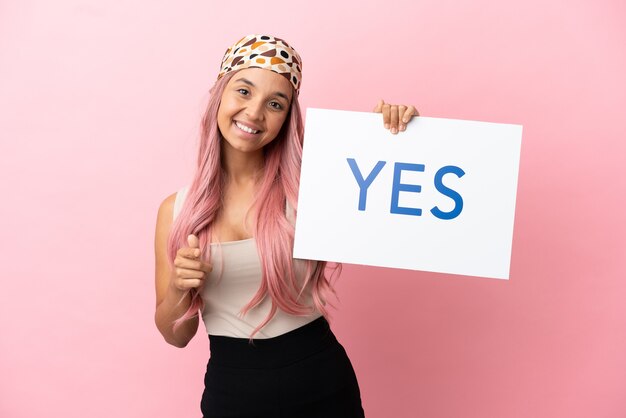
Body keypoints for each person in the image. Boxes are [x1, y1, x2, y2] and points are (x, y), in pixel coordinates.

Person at [154, 34, 418, 418]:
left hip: (322, 382)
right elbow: (174, 335)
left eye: (274, 103)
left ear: (286, 118)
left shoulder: (314, 189)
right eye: (243, 91)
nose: (255, 113)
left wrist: (395, 137)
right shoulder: (176, 210)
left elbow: (392, 210)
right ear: (219, 95)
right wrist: (181, 285)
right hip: (233, 392)